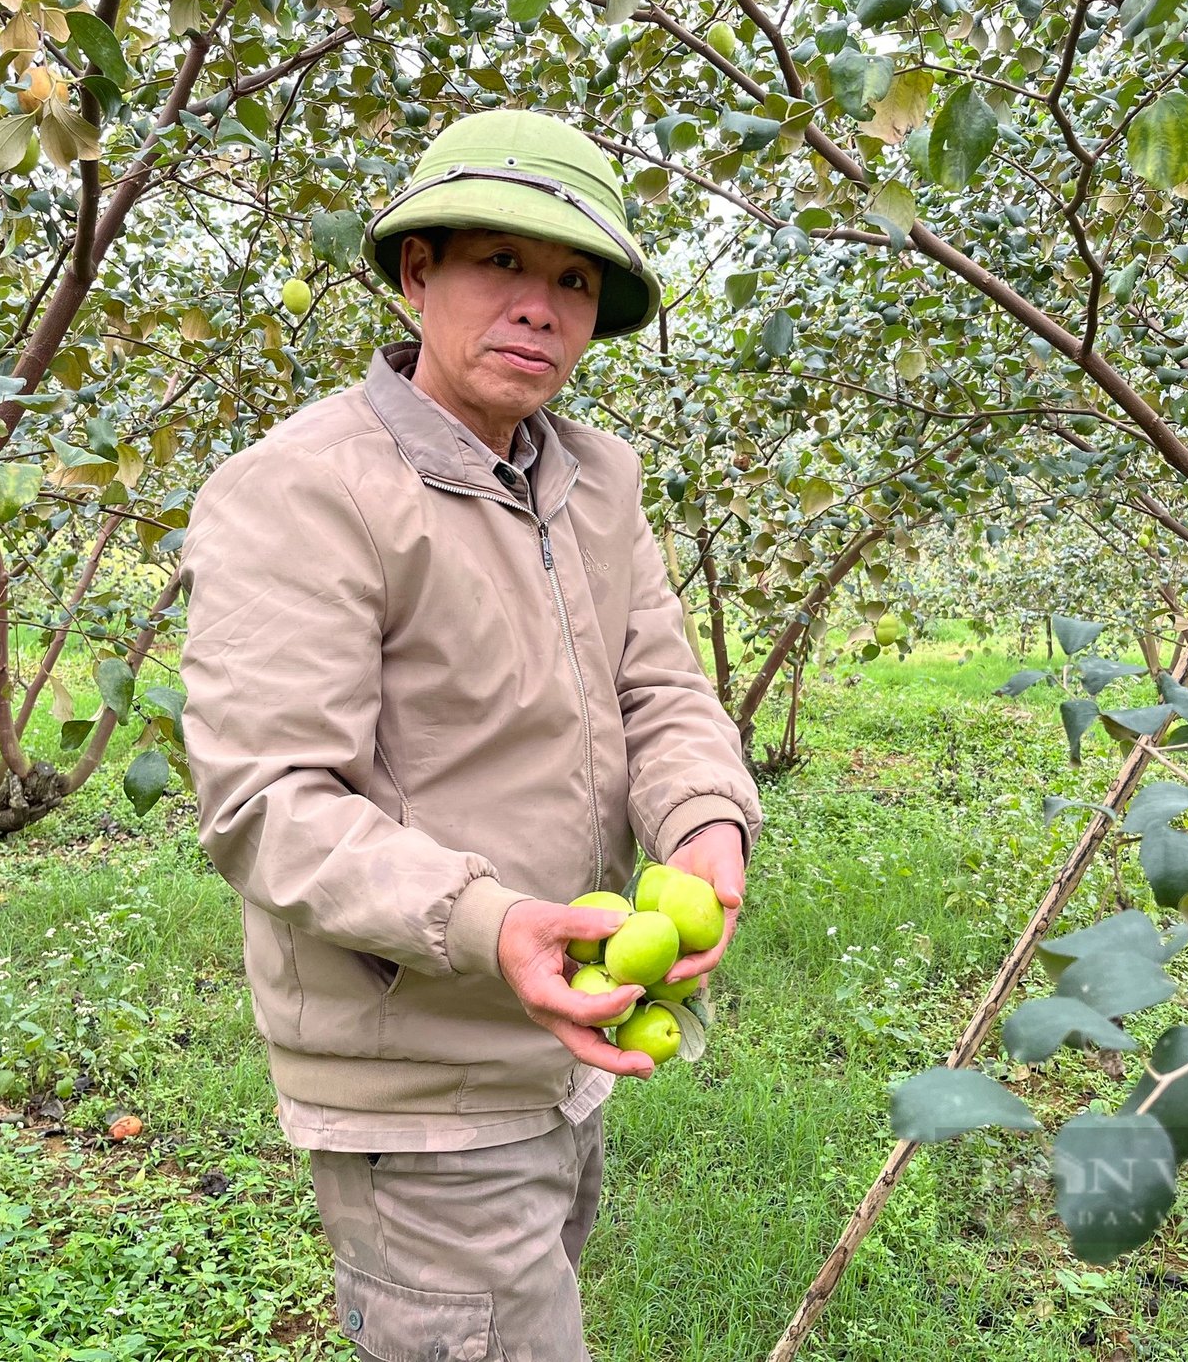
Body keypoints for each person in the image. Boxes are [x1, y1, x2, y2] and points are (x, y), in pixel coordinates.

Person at [177, 108, 762, 1361]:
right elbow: (267, 802)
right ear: (415, 272)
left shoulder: (596, 480)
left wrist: (705, 825)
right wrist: (494, 923)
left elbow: (660, 690)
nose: (539, 307)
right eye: (500, 261)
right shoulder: (306, 490)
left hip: (571, 1041)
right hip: (422, 1075)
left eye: (572, 280)